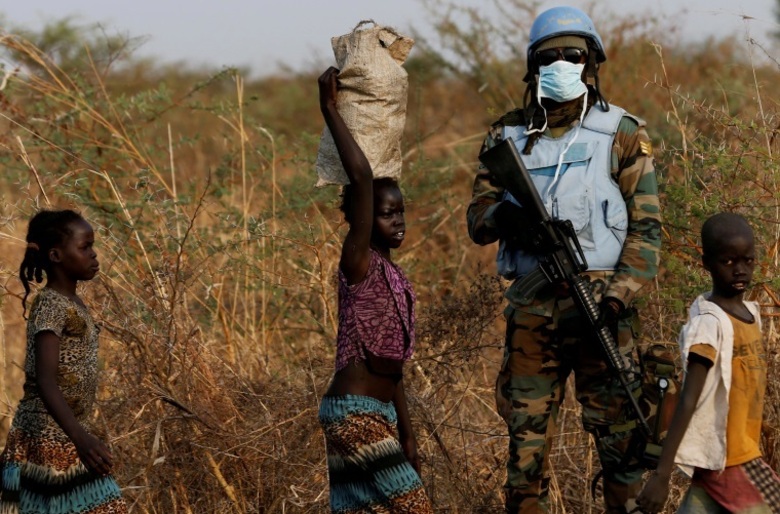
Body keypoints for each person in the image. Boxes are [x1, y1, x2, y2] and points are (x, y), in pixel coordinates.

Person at [466, 6, 662, 513]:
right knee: (525, 452)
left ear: (590, 61)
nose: (561, 64)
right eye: (549, 56)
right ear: (533, 67)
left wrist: (617, 297)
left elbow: (645, 230)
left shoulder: (622, 132)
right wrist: (508, 220)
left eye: (572, 55)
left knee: (625, 446)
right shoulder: (506, 135)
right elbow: (477, 218)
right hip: (533, 314)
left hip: (602, 312)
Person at [316, 66, 434, 513]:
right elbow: (363, 179)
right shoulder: (359, 261)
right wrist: (329, 108)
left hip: (378, 413)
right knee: (414, 506)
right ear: (362, 218)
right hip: (353, 413)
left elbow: (394, 364)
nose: (398, 221)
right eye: (386, 214)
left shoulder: (393, 274)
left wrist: (407, 433)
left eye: (401, 212)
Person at [637, 212, 780, 513]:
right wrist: (662, 475)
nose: (739, 270)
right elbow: (689, 397)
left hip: (738, 452)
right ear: (706, 264)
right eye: (728, 261)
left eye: (748, 261)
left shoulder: (752, 315)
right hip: (729, 459)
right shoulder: (709, 324)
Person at [0, 209, 127, 512]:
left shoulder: (71, 301)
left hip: (65, 433)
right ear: (56, 255)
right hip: (46, 437)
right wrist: (82, 439)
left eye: (92, 246)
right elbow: (45, 380)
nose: (94, 255)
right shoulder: (52, 305)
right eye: (84, 247)